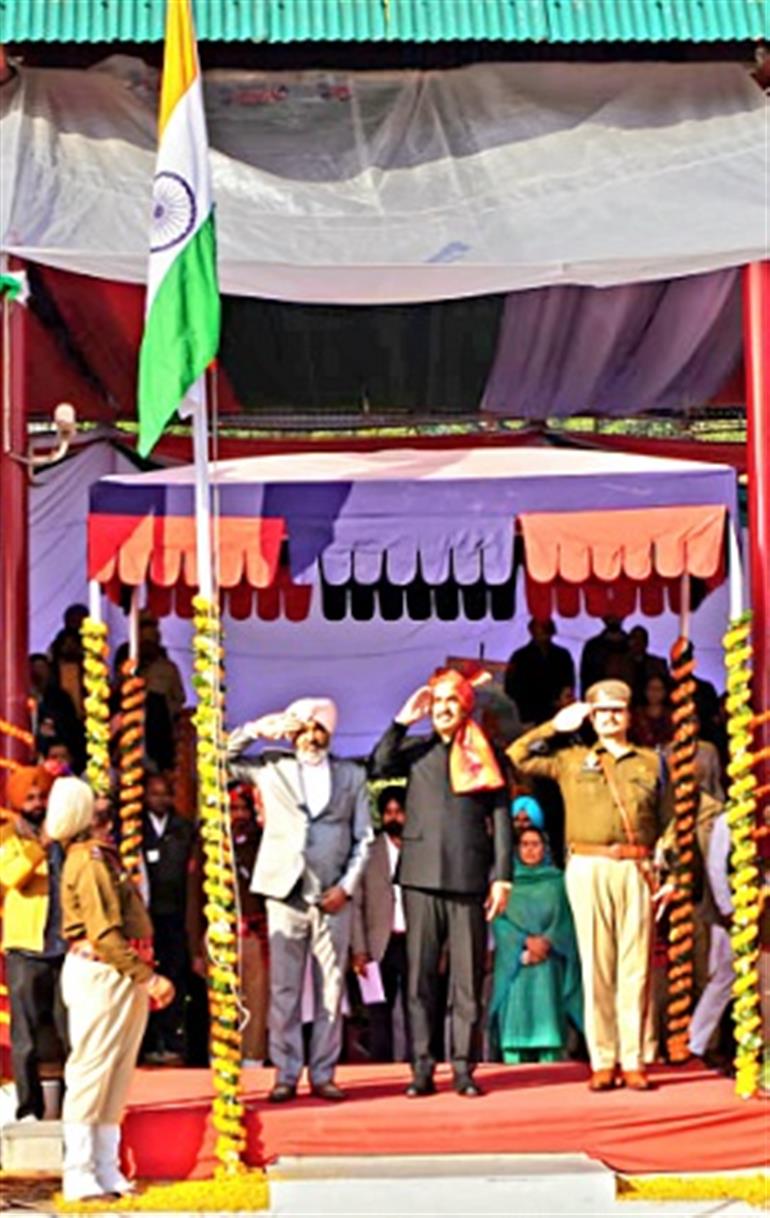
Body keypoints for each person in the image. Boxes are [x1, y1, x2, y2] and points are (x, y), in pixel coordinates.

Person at [508, 679, 666, 1091]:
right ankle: (603, 1058)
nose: (610, 717)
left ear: (628, 715)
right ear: (590, 717)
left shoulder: (650, 762)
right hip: (588, 862)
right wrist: (555, 725)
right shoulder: (571, 758)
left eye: (617, 710)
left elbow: (669, 824)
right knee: (596, 963)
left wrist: (672, 874)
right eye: (601, 711)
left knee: (635, 967)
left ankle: (633, 1058)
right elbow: (517, 756)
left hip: (635, 865)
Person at [371, 668, 512, 1098]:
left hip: (469, 877)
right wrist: (401, 720)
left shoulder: (486, 753)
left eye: (452, 701)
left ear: (466, 704)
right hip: (419, 878)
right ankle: (422, 1067)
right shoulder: (417, 750)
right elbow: (378, 764)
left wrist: (502, 877)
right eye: (437, 702)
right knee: (420, 980)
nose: (443, 709)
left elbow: (502, 818)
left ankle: (465, 1068)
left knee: (467, 980)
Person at [227, 697, 372, 1103]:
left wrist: (347, 886)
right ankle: (286, 1072)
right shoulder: (273, 766)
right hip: (284, 890)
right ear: (292, 734)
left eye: (317, 728)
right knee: (284, 990)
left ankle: (323, 1073)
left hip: (333, 896)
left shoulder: (351, 775)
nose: (310, 736)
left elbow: (364, 838)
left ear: (329, 732)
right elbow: (218, 762)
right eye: (303, 729)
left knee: (331, 989)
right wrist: (255, 730)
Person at [48, 775, 174, 1202]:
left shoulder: (101, 855)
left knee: (115, 1074)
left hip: (118, 973)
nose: (107, 803)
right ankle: (79, 1170)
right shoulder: (89, 861)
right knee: (92, 1071)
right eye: (98, 800)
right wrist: (148, 978)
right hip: (104, 972)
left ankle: (106, 1166)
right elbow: (105, 934)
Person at [0, 763, 68, 1121]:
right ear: (16, 802)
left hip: (64, 946)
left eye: (43, 795)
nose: (38, 803)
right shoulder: (7, 837)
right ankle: (29, 1109)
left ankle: (75, 1108)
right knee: (25, 1036)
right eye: (30, 797)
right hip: (25, 949)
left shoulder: (66, 836)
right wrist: (40, 847)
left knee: (69, 1032)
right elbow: (9, 876)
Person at [489, 826, 582, 1063]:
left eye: (536, 844)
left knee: (549, 1016)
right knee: (514, 1021)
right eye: (525, 844)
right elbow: (498, 919)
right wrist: (524, 942)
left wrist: (547, 941)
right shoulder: (505, 884)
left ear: (545, 848)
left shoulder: (558, 882)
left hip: (549, 962)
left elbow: (566, 918)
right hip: (515, 963)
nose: (530, 850)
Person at [140, 773, 197, 1065]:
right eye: (154, 794)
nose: (160, 799)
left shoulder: (184, 828)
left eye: (165, 794)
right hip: (146, 919)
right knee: (146, 978)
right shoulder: (136, 829)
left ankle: (173, 1040)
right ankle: (149, 1041)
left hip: (175, 916)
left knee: (175, 977)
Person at [351, 785, 410, 1062]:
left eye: (399, 812)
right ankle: (381, 1068)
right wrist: (359, 949)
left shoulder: (421, 849)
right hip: (377, 945)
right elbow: (356, 903)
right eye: (388, 813)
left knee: (418, 1009)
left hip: (414, 941)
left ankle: (418, 1066)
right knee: (377, 1011)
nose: (394, 818)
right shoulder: (368, 852)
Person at [229, 783, 269, 1066]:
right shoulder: (210, 843)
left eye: (244, 809)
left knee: (256, 999)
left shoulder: (264, 843)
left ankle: (253, 1056)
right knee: (224, 997)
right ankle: (223, 1053)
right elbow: (196, 896)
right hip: (221, 933)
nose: (239, 815)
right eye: (233, 809)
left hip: (256, 933)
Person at [504, 619, 576, 728]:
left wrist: (564, 699)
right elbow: (510, 688)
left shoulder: (562, 655)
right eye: (540, 628)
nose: (543, 633)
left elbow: (569, 684)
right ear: (532, 631)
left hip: (558, 715)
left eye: (546, 629)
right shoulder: (520, 657)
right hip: (530, 716)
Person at [579, 616, 631, 696]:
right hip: (598, 698)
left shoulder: (632, 645)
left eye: (617, 613)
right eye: (610, 614)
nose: (613, 617)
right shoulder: (592, 646)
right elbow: (585, 680)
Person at [627, 626, 669, 704]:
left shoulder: (658, 664)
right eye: (634, 639)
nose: (637, 642)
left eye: (641, 639)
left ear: (646, 643)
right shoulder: (620, 664)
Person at [631, 674, 674, 749]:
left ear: (665, 692)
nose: (654, 693)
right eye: (651, 688)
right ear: (645, 691)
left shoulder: (672, 715)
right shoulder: (636, 714)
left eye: (658, 689)